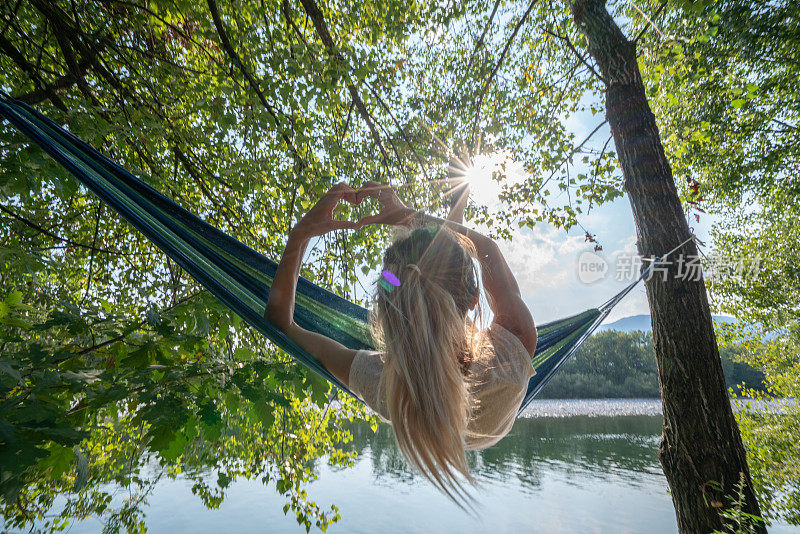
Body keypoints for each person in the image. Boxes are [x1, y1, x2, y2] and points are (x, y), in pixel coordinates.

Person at [265, 164, 537, 505]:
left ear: (389, 306)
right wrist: (407, 215)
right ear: (472, 300)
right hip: (498, 418)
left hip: (462, 418)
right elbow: (487, 248)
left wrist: (300, 234)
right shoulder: (511, 356)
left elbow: (281, 325)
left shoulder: (384, 384)